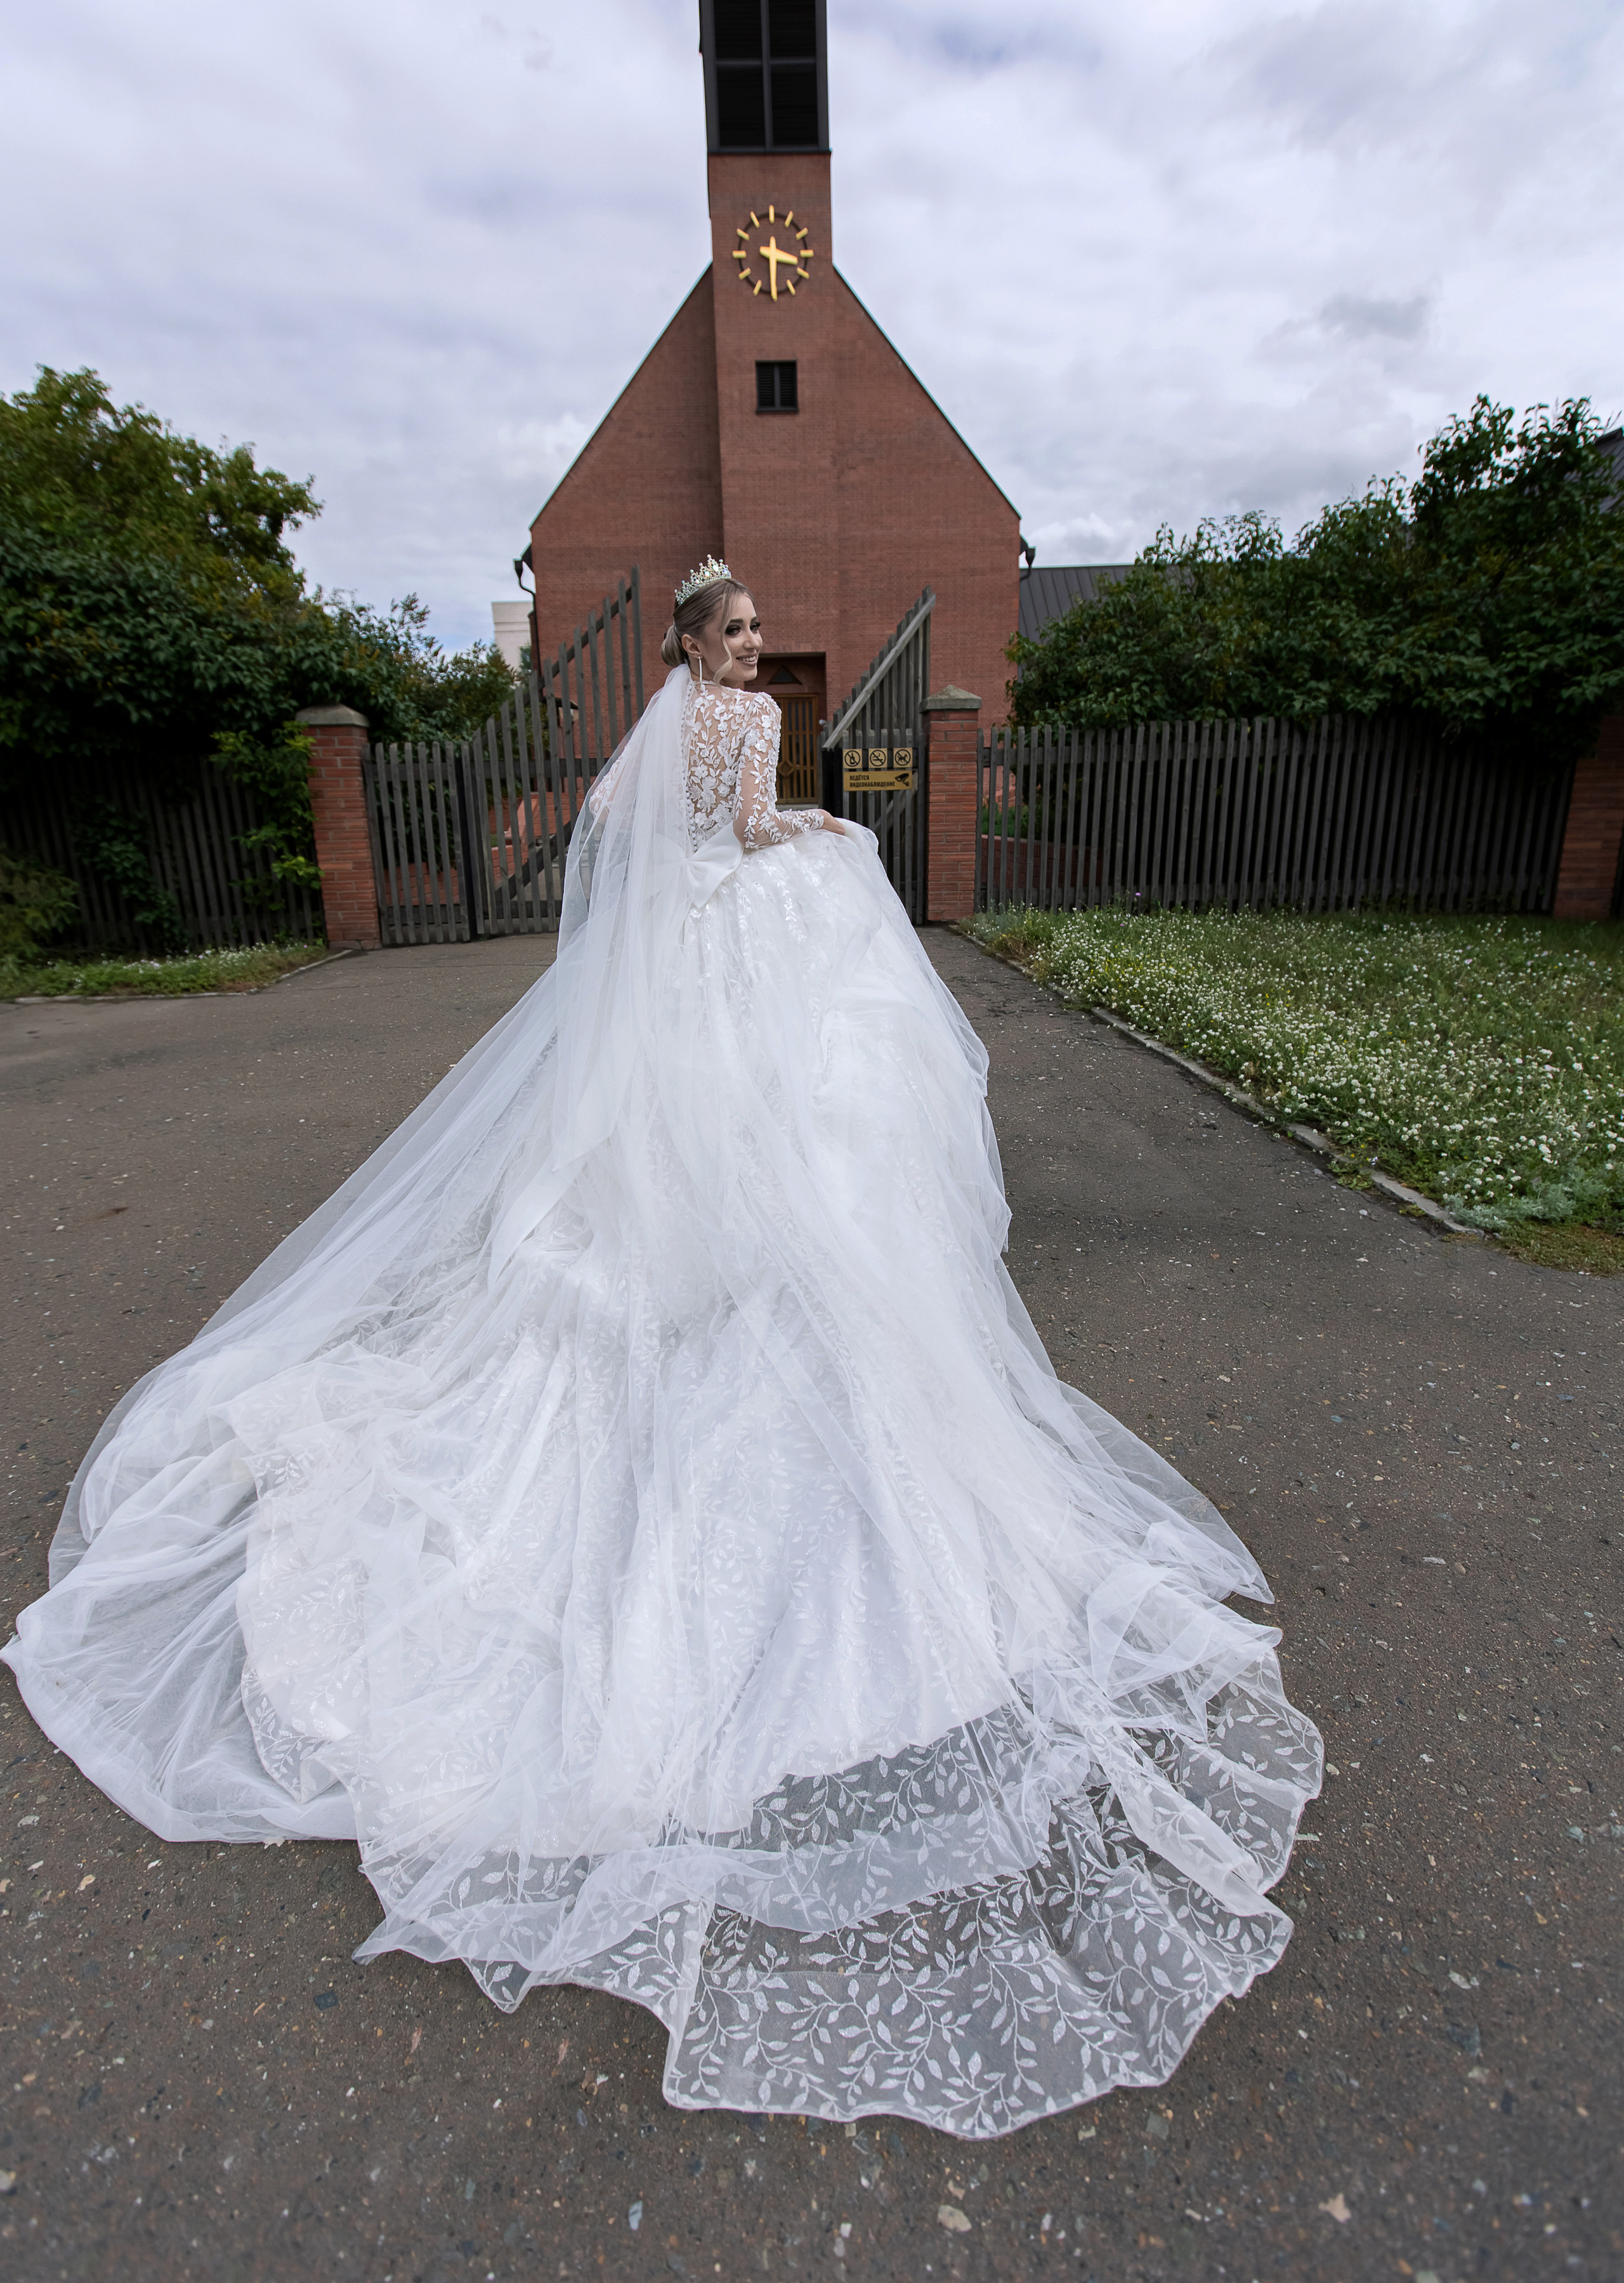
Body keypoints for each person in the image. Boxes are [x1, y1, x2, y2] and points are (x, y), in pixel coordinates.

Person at [3, 556, 1321, 2140]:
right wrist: (821, 830)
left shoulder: (665, 725)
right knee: (785, 1141)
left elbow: (643, 842)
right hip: (736, 944)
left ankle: (700, 1282)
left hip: (674, 962)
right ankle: (749, 1294)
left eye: (755, 633)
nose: (753, 652)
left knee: (651, 1171)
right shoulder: (749, 726)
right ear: (704, 647)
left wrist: (735, 849)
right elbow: (749, 833)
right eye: (738, 634)